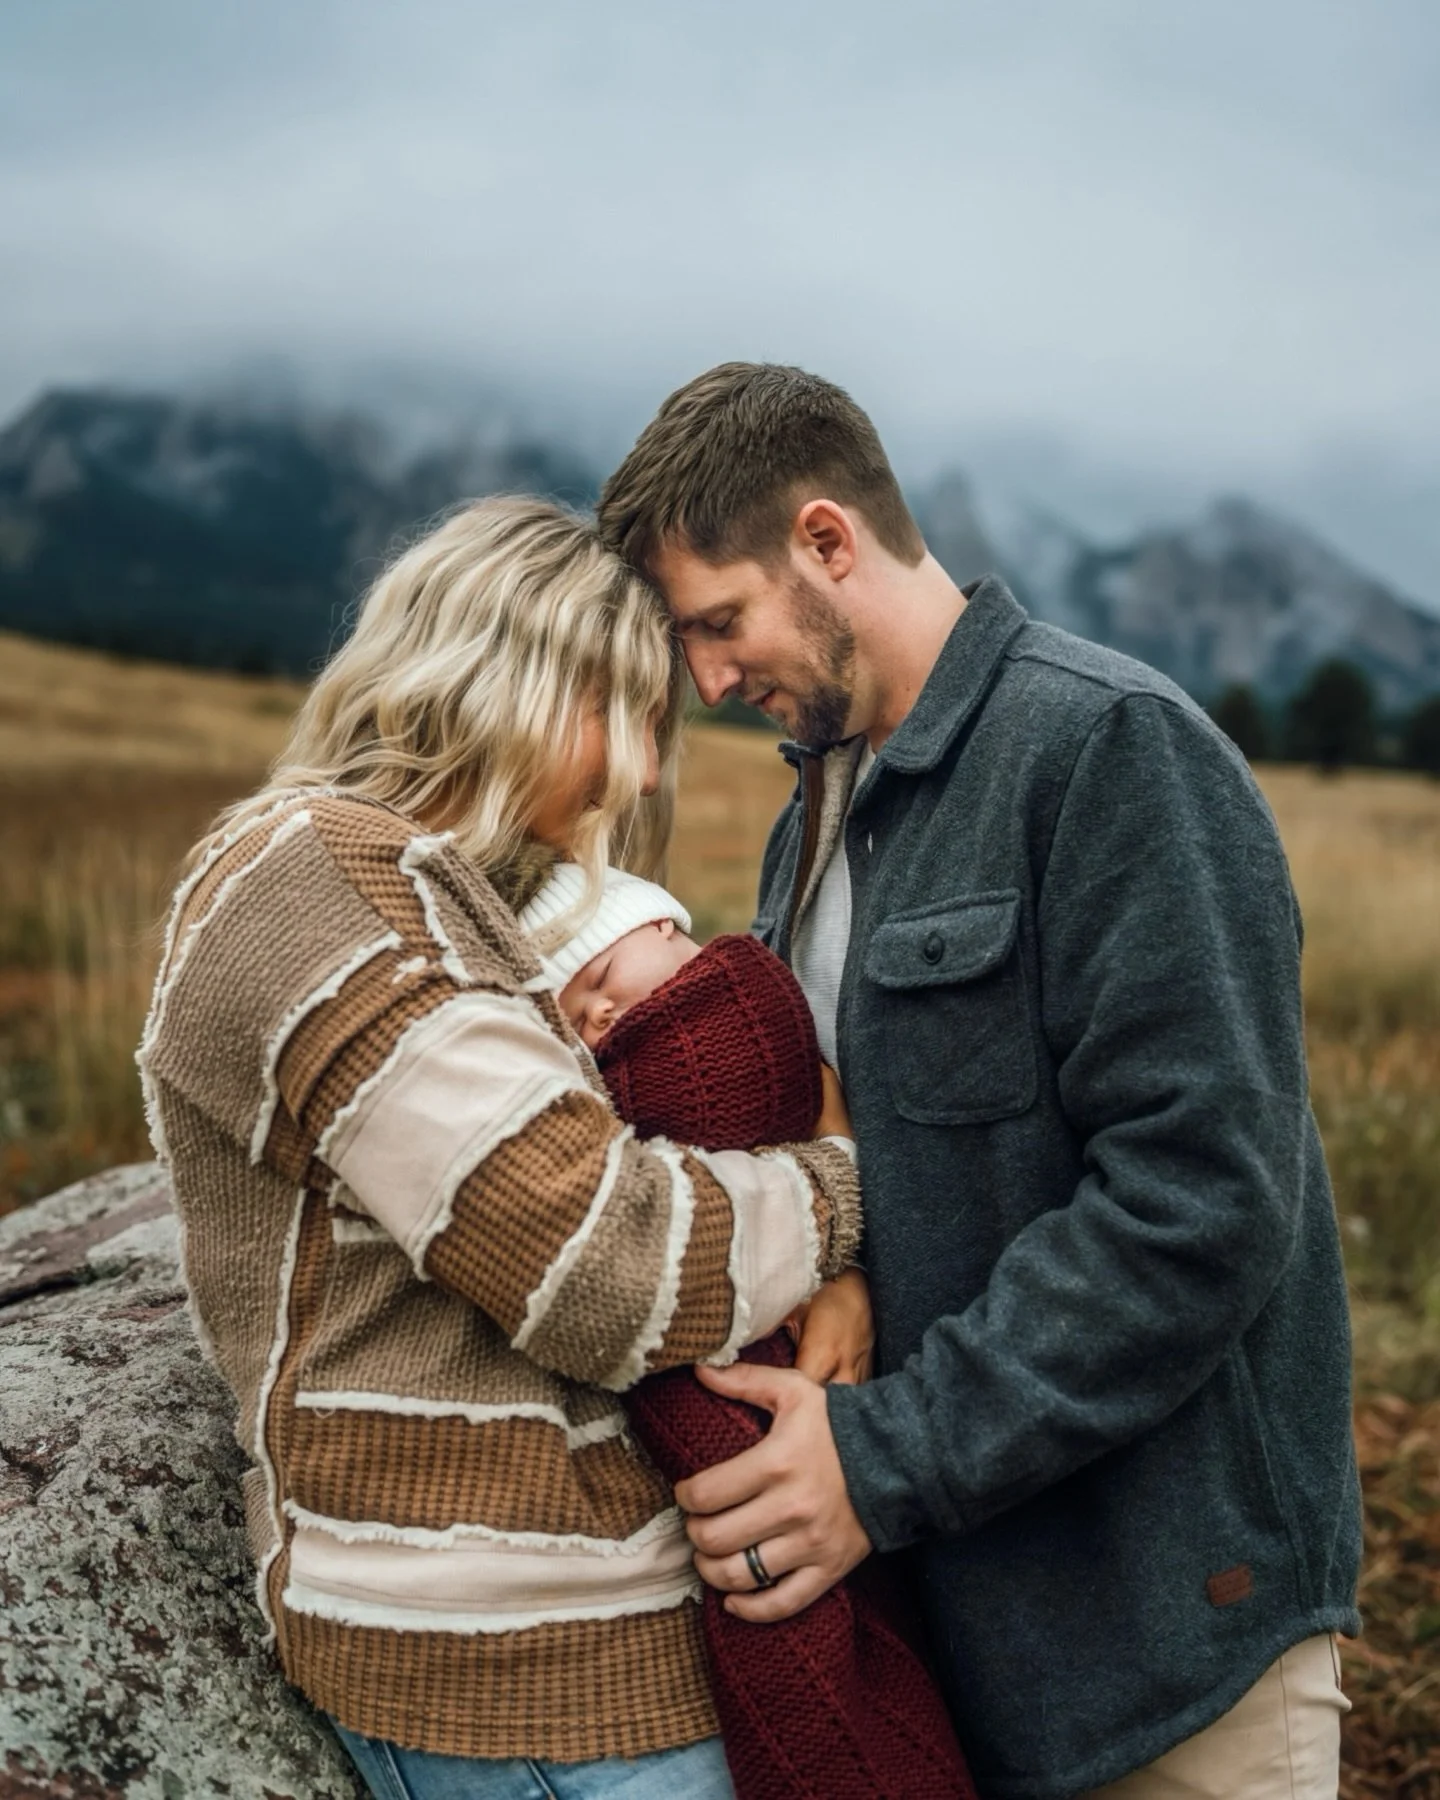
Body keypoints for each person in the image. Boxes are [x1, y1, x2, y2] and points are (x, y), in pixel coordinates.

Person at [596, 363, 1363, 1800]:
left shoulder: (1107, 751)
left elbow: (1202, 1205)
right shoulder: (811, 823)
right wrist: (837, 1264)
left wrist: (880, 1460)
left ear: (829, 543)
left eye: (720, 623)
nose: (705, 682)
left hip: (1161, 1649)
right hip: (969, 1635)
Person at [137, 495, 866, 1800]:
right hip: (516, 1660)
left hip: (556, 1627)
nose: (645, 776)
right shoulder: (325, 881)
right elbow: (607, 1270)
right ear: (522, 679)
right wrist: (855, 1187)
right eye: (633, 718)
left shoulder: (413, 889)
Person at [518, 860, 977, 1800]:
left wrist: (839, 1262)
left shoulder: (733, 994)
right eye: (575, 1017)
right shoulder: (798, 837)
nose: (602, 1022)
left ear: (669, 939)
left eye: (602, 983)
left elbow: (784, 1079)